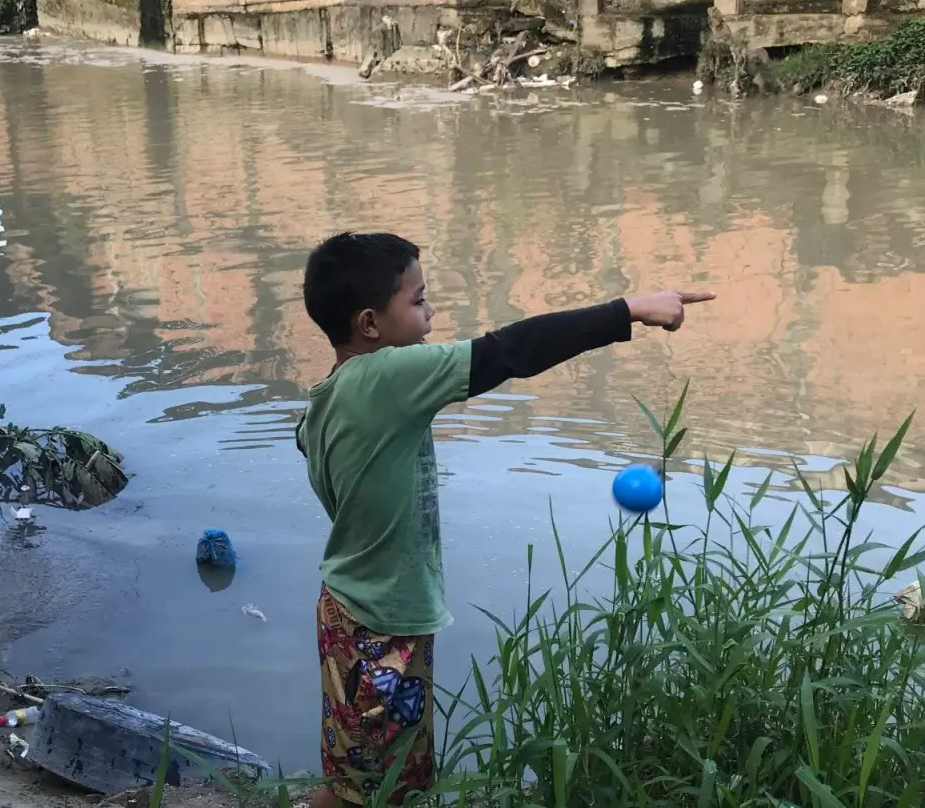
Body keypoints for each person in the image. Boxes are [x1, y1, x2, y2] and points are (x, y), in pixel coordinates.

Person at [297, 232, 713, 807]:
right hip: (379, 626)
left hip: (349, 610)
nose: (431, 312)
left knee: (357, 781)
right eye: (418, 301)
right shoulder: (387, 376)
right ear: (369, 324)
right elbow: (509, 351)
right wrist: (629, 310)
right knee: (380, 791)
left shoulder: (326, 398)